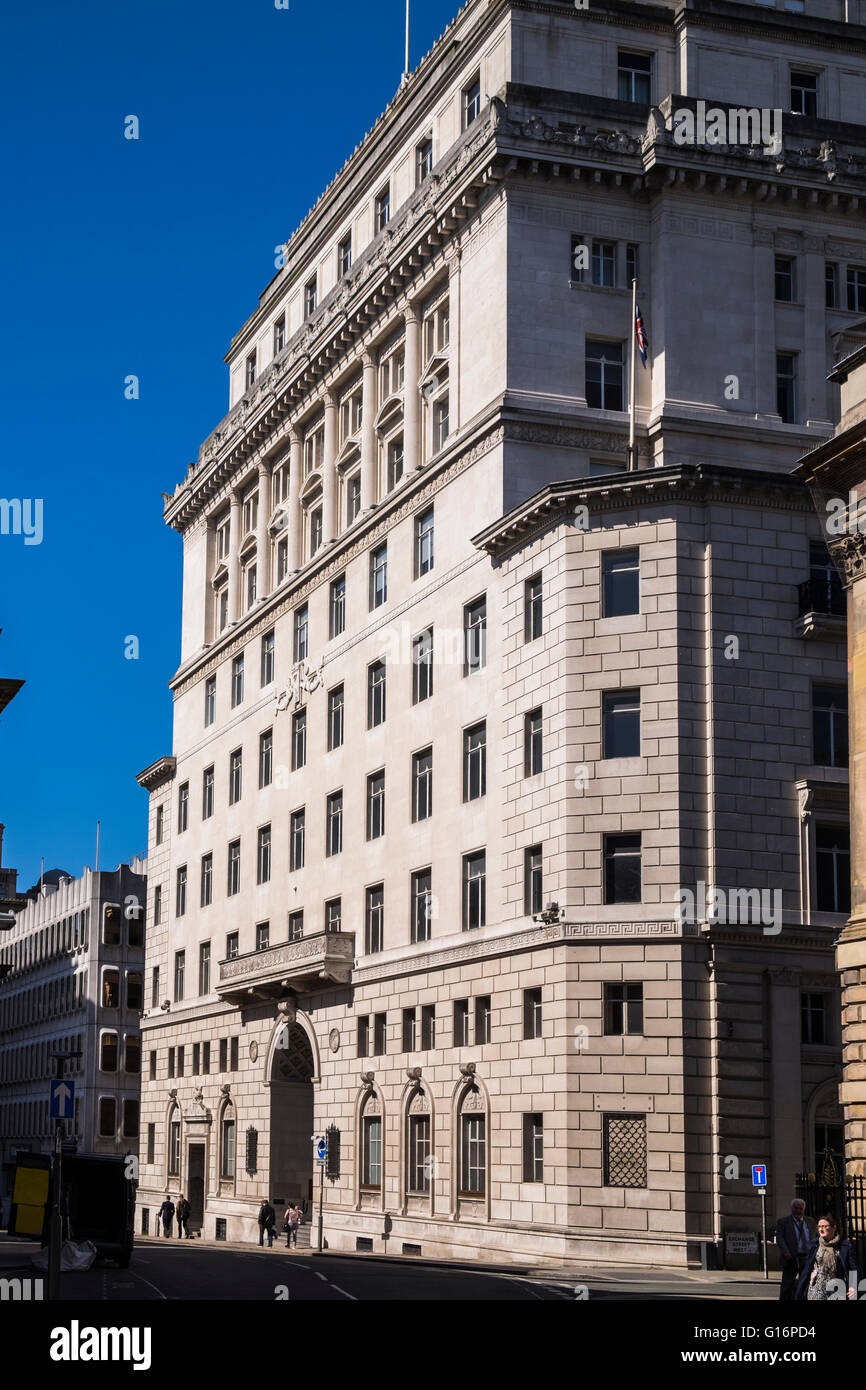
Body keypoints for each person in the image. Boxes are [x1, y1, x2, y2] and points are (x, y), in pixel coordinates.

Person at [795, 1214, 858, 1300]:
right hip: (817, 1287)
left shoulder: (844, 1245)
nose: (821, 1229)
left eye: (824, 1226)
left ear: (834, 1227)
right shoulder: (814, 1244)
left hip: (837, 1286)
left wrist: (853, 1286)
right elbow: (807, 1267)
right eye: (819, 1226)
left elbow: (852, 1268)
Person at [775, 1199, 815, 1300]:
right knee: (787, 1285)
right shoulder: (783, 1222)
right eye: (795, 1208)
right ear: (791, 1208)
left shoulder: (810, 1221)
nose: (798, 1211)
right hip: (791, 1258)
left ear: (804, 1209)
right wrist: (786, 1252)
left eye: (800, 1208)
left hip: (806, 1258)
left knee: (805, 1284)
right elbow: (780, 1239)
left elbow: (815, 1238)